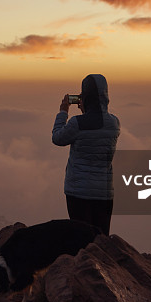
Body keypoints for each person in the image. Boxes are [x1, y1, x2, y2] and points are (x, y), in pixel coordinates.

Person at [51, 73, 120, 235]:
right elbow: (96, 126)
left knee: (81, 238)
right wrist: (88, 110)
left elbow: (57, 138)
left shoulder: (77, 123)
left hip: (78, 192)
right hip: (104, 192)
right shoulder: (114, 123)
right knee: (101, 238)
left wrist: (63, 112)